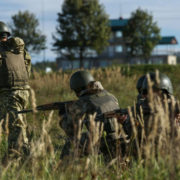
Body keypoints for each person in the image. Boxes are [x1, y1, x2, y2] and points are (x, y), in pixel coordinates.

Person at [59, 70, 122, 161]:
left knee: (70, 146)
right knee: (115, 168)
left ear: (77, 89)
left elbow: (71, 131)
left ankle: (64, 172)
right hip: (120, 136)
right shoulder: (110, 95)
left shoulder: (83, 102)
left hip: (102, 140)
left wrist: (64, 115)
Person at [0, 21, 31, 161]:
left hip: (8, 94)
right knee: (19, 125)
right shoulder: (20, 51)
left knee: (16, 130)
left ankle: (22, 160)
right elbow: (27, 70)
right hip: (23, 92)